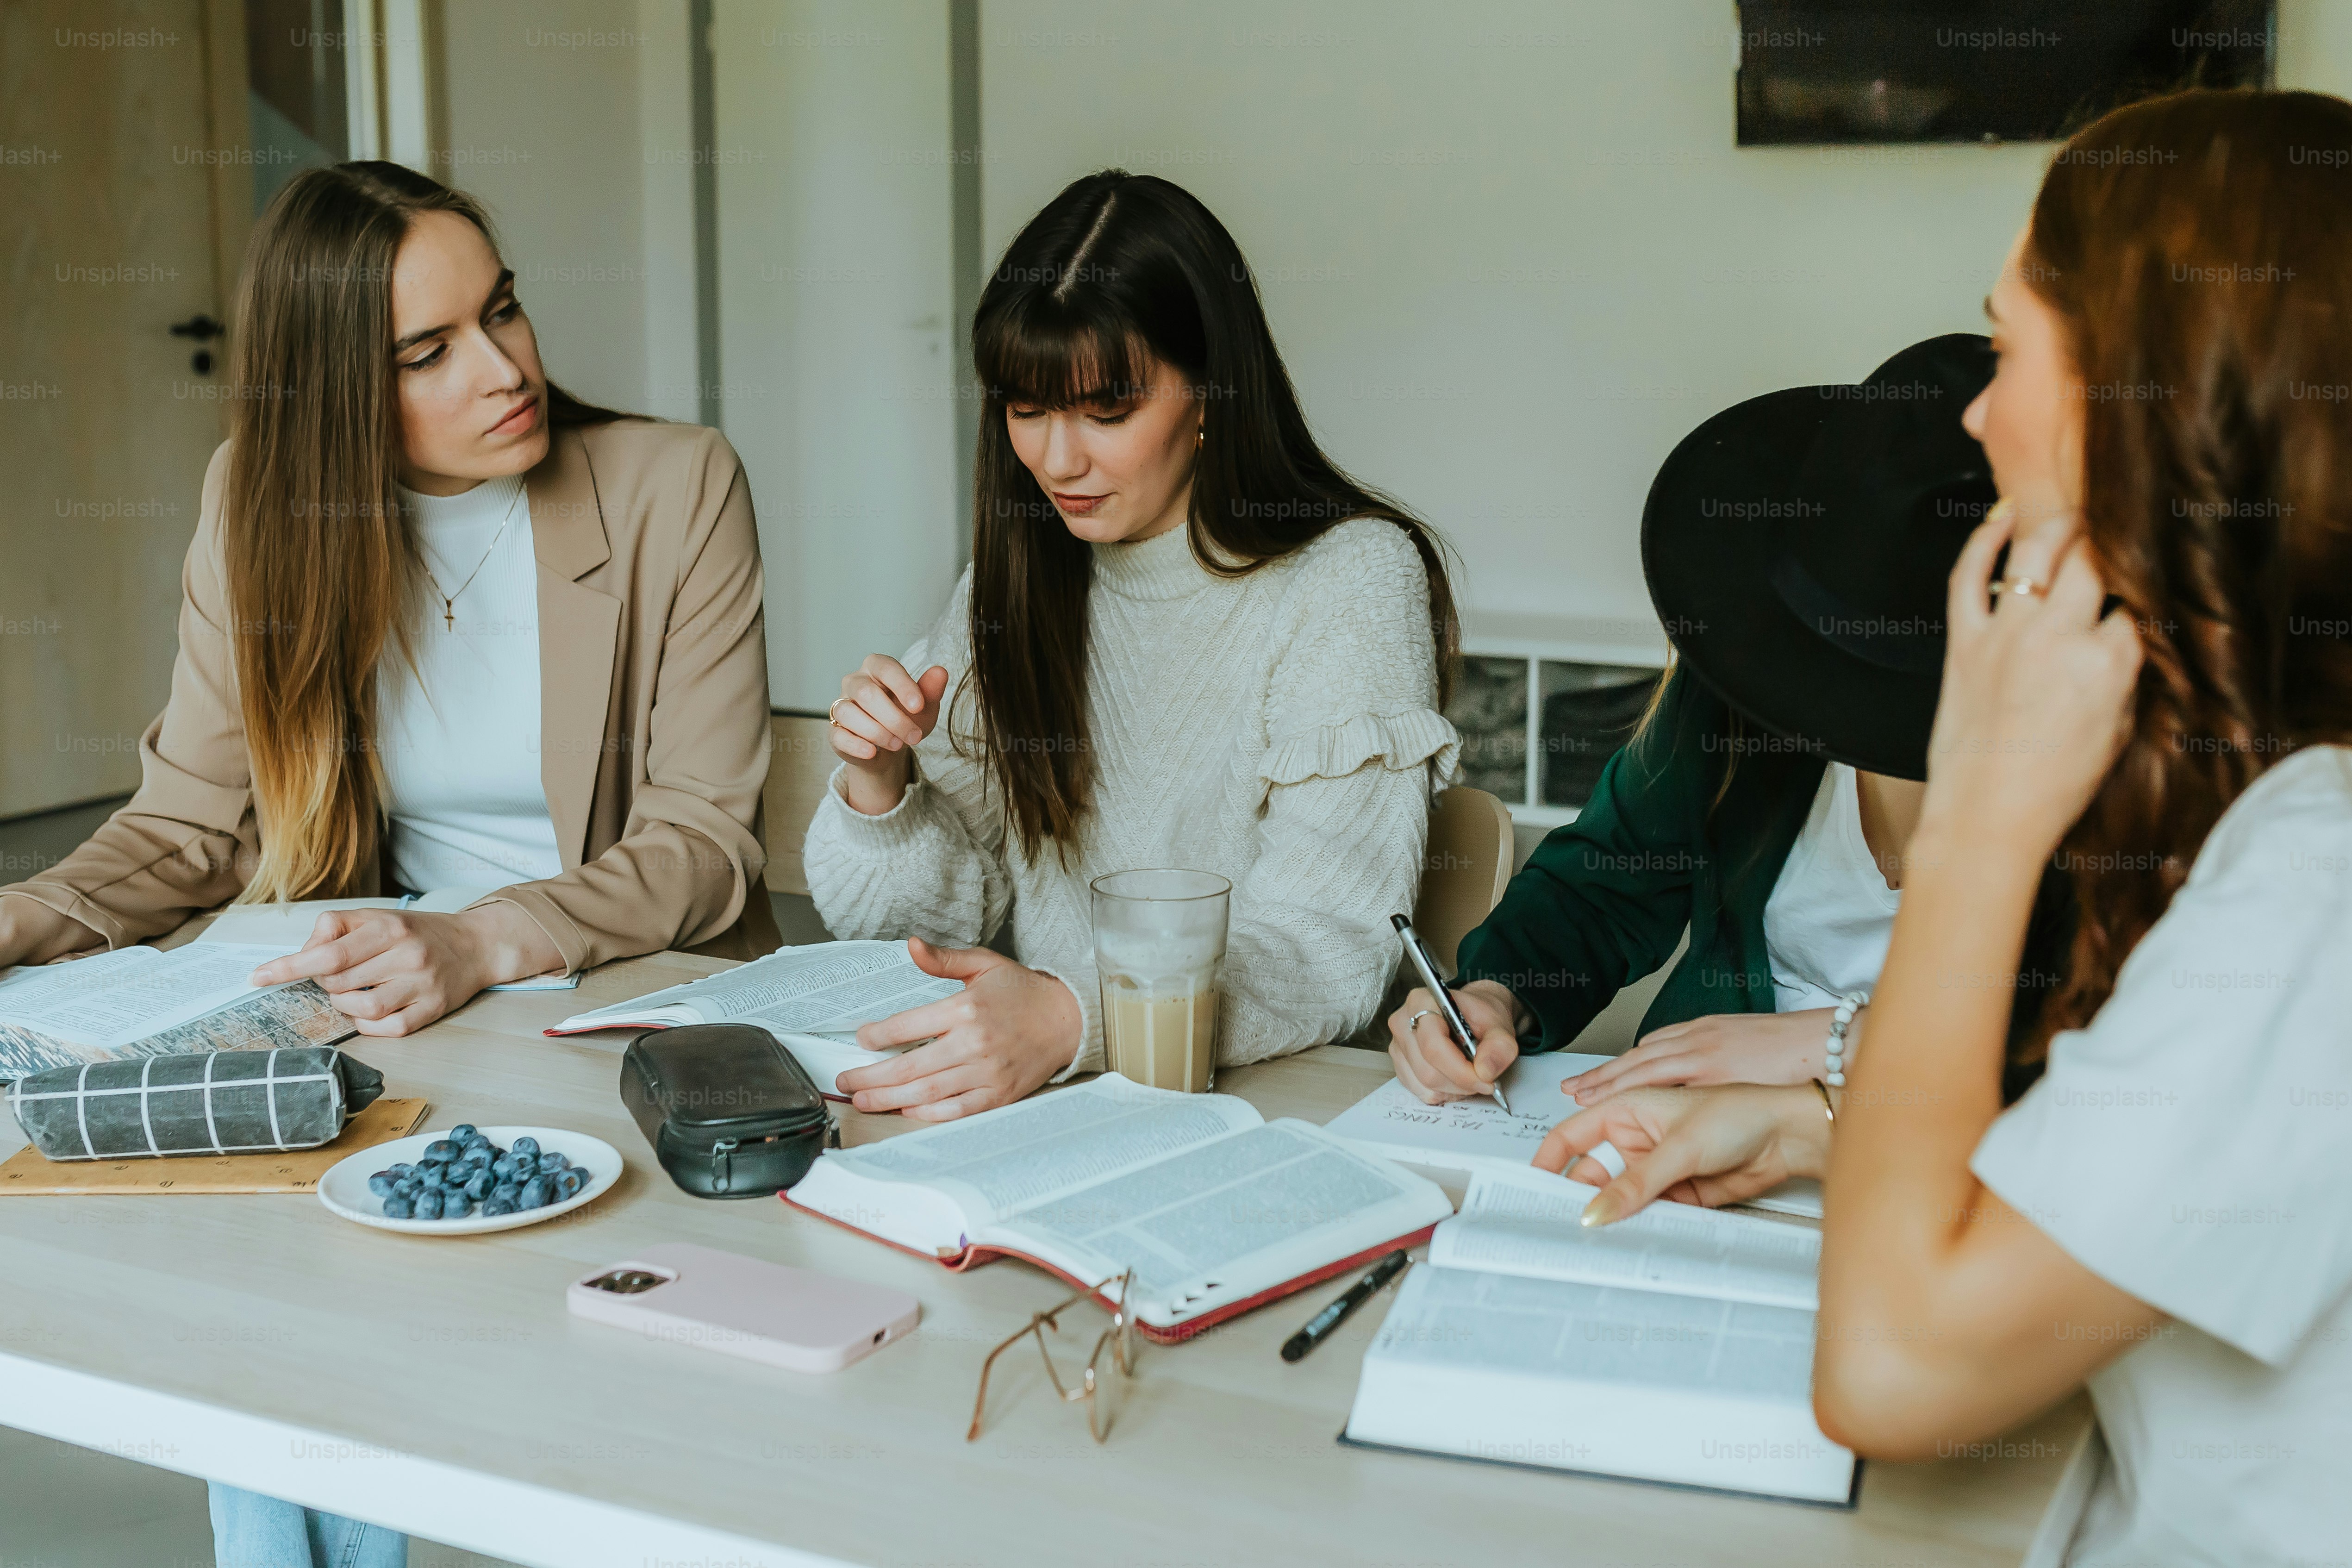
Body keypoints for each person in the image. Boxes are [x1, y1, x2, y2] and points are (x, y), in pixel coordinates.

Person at [1550, 88, 2352, 1566]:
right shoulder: (2256, 791)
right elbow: (2127, 1159)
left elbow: (1891, 1375)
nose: (1980, 418)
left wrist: (1981, 808)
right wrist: (1816, 1124)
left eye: (2013, 346)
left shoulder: (2316, 870)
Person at [0, 162, 777, 1566]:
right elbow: (193, 824)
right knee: (276, 1329)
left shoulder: (675, 485)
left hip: (597, 1001)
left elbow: (706, 842)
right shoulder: (260, 502)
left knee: (342, 1318)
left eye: (505, 311)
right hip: (382, 1005)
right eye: (429, 352)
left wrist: (484, 939)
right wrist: (23, 910)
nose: (505, 370)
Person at [805, 169, 1463, 1120]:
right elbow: (933, 931)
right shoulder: (1022, 572)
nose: (1057, 461)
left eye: (1106, 413)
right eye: (1025, 409)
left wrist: (1079, 1018)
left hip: (1262, 1109)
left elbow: (1328, 948)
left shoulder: (1350, 578)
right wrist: (883, 789)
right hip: (1039, 1101)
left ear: (1209, 393)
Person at [1387, 336, 2072, 1124]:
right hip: (1674, 1159)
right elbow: (1608, 882)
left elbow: (2100, 1045)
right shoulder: (1757, 681)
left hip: (1949, 1183)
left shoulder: (2132, 783)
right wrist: (1494, 995)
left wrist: (1837, 1043)